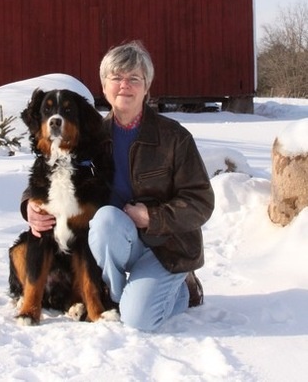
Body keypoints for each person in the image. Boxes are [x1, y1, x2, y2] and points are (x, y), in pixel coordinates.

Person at [23, 40, 215, 332]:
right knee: (105, 220)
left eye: (134, 78)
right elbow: (54, 169)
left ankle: (182, 288)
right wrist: (29, 206)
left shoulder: (174, 137)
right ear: (104, 86)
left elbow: (201, 202)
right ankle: (114, 296)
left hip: (168, 246)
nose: (125, 85)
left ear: (146, 86)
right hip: (120, 238)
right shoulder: (94, 133)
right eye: (116, 78)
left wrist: (152, 217)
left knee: (140, 319)